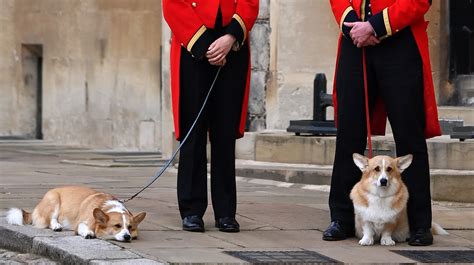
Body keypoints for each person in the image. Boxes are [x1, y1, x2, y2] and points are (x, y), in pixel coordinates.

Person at [324, 0, 441, 246]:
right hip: (355, 41)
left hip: (400, 39)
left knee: (409, 136)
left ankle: (419, 223)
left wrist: (375, 26)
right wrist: (352, 26)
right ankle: (342, 218)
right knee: (348, 134)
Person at [162, 0, 259, 233]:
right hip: (193, 46)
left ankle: (226, 211)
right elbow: (173, 5)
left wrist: (230, 38)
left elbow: (249, 3)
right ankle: (192, 210)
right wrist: (206, 46)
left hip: (232, 46)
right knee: (193, 133)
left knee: (224, 134)